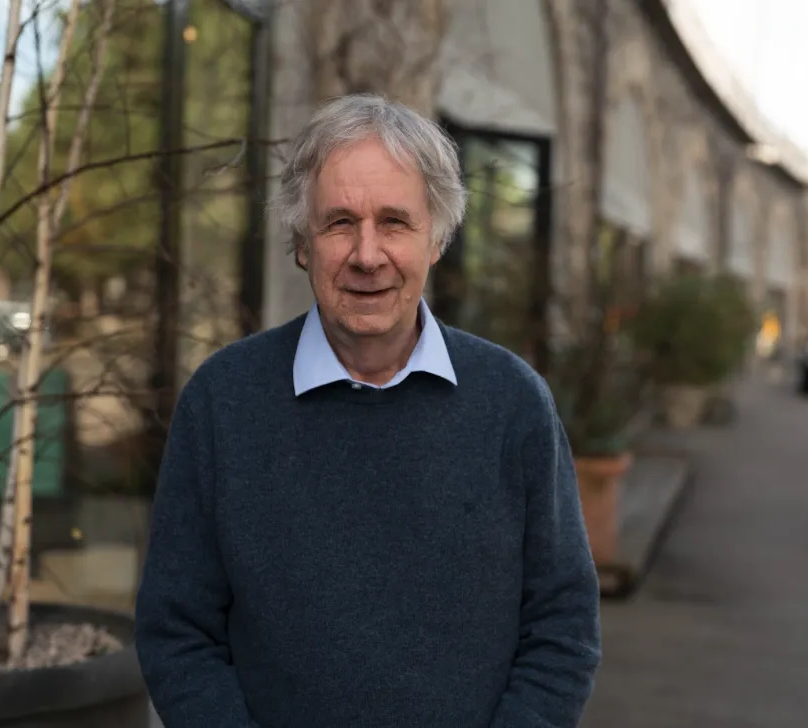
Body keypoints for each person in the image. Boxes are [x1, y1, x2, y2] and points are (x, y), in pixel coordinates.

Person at [135, 93, 602, 728]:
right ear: (303, 244)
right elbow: (177, 632)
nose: (367, 254)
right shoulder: (224, 401)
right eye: (338, 223)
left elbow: (562, 626)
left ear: (436, 239)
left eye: (395, 222)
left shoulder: (514, 404)